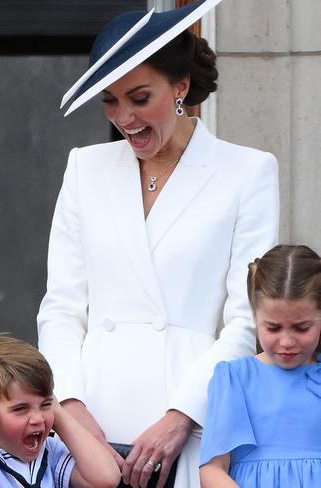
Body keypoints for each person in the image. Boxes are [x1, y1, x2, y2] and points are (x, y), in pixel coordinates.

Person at [37, 1, 279, 487]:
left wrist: (182, 415)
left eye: (139, 97)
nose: (124, 117)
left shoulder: (248, 171)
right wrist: (71, 409)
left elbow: (245, 318)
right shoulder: (85, 168)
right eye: (110, 100)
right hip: (93, 426)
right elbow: (62, 308)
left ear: (181, 88)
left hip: (189, 427)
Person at [0, 333, 121, 488]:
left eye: (45, 405)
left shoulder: (50, 453)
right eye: (20, 409)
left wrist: (58, 413)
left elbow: (106, 478)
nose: (37, 419)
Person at [200, 244, 321, 487]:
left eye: (301, 327)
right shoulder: (234, 379)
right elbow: (213, 470)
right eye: (273, 327)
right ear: (255, 317)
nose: (286, 342)